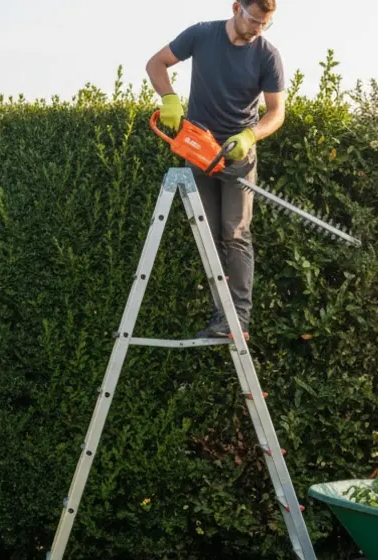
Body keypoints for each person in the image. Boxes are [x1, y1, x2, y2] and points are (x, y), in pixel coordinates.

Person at [145, 1, 285, 339]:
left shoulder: (267, 54)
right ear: (237, 7)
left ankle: (238, 320)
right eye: (254, 20)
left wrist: (251, 134)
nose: (257, 30)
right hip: (199, 148)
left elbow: (276, 112)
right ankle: (219, 317)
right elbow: (156, 64)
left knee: (235, 233)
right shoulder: (202, 35)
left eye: (265, 24)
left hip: (238, 154)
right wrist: (169, 98)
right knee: (207, 234)